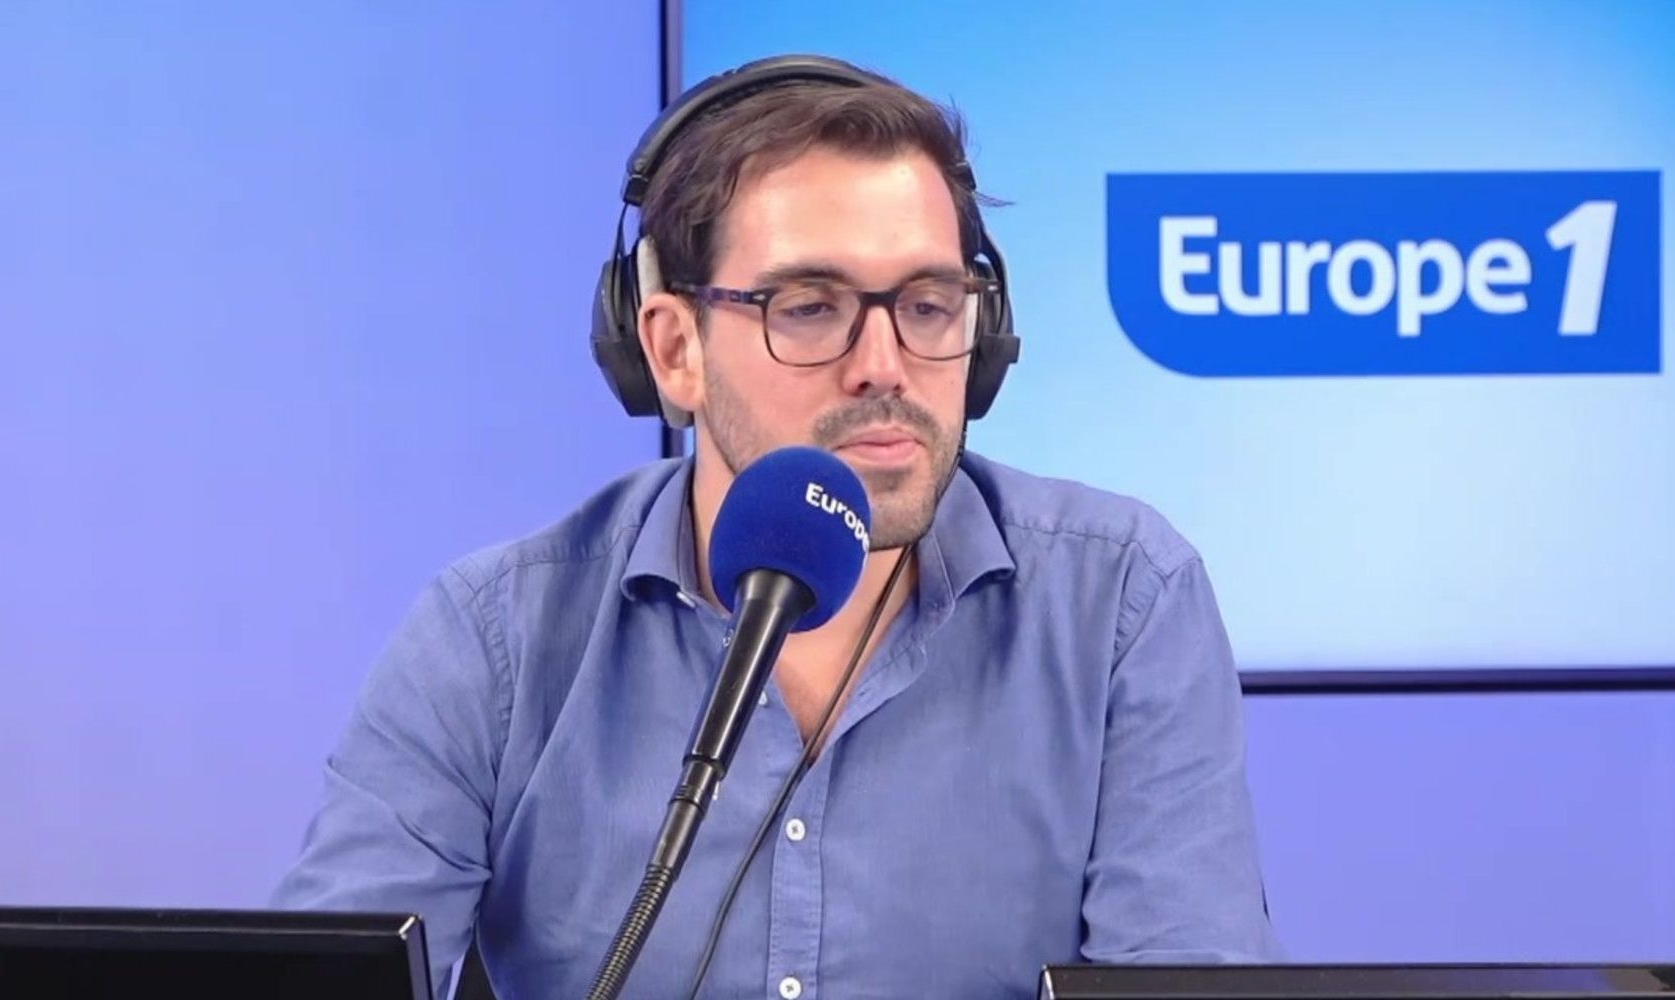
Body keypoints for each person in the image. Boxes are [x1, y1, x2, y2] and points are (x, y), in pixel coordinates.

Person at [272, 53, 1283, 1000]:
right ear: (673, 350)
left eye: (928, 305)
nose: (884, 365)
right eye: (808, 306)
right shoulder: (495, 635)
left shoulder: (1121, 603)